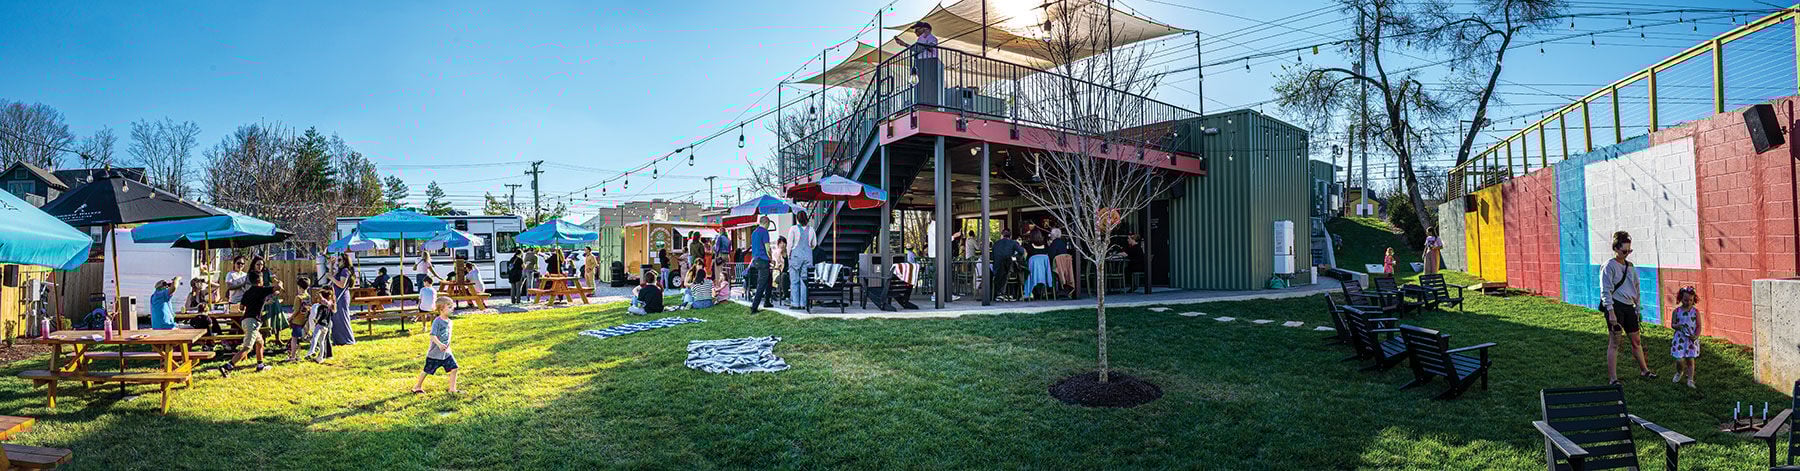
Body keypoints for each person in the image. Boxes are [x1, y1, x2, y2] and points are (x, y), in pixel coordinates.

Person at [1601, 231, 1654, 385]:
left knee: (1636, 340)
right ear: (1616, 248)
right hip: (1615, 306)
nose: (1626, 254)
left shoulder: (1630, 266)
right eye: (1624, 251)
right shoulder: (1609, 266)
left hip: (1629, 307)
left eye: (1629, 251)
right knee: (1615, 342)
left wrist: (1638, 308)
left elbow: (1636, 288)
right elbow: (1605, 290)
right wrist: (1611, 312)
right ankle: (1613, 379)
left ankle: (1645, 370)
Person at [219, 275, 280, 377]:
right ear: (260, 281)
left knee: (260, 342)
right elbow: (277, 288)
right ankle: (227, 367)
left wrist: (262, 302)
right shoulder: (261, 290)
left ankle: (260, 365)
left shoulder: (247, 292)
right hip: (252, 322)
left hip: (245, 321)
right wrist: (278, 282)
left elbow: (242, 308)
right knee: (247, 347)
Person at [410, 299, 460, 395]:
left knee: (454, 368)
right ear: (441, 309)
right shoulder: (437, 321)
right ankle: (417, 387)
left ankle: (452, 389)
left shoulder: (450, 322)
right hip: (435, 354)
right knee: (427, 370)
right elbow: (432, 335)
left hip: (446, 354)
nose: (452, 309)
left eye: (452, 306)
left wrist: (447, 347)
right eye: (449, 307)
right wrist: (440, 344)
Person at [896, 21, 940, 106]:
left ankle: (928, 103)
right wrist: (904, 44)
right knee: (920, 84)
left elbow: (930, 48)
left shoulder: (931, 38)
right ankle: (920, 103)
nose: (915, 32)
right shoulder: (920, 39)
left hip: (930, 62)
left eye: (917, 30)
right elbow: (917, 49)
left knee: (928, 85)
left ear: (925, 29)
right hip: (921, 63)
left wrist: (924, 37)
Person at [1668, 286, 1702, 389]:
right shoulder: (1677, 311)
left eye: (1690, 300)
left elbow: (1699, 326)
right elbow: (1673, 324)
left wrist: (1696, 336)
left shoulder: (1695, 312)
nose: (1688, 302)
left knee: (1690, 360)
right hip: (1680, 340)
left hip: (1691, 340)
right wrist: (1677, 326)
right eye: (1685, 300)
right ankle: (1679, 372)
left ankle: (1690, 380)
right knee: (1679, 359)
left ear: (1694, 300)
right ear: (1680, 299)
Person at [786, 211, 815, 309]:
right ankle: (803, 303)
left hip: (795, 257)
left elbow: (789, 244)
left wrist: (788, 255)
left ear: (797, 219)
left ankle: (795, 303)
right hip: (807, 256)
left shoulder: (793, 229)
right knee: (804, 280)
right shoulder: (811, 229)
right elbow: (814, 244)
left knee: (794, 280)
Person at [286, 278, 318, 362]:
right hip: (305, 320)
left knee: (294, 339)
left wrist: (290, 318)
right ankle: (300, 354)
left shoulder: (298, 297)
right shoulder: (308, 296)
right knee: (302, 338)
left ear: (299, 287)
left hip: (297, 321)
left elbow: (296, 310)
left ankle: (293, 356)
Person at [748, 216, 776, 313]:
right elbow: (767, 247)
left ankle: (767, 301)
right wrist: (771, 259)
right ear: (767, 223)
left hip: (755, 259)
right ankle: (754, 307)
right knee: (761, 284)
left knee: (769, 280)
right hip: (763, 260)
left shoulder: (754, 232)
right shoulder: (764, 232)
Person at [330, 252, 357, 346]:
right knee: (336, 318)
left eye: (340, 260)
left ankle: (348, 339)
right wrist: (331, 265)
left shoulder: (345, 270)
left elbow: (342, 284)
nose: (338, 262)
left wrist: (331, 278)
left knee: (342, 317)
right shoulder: (340, 270)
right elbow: (332, 276)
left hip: (342, 297)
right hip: (336, 296)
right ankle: (338, 340)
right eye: (338, 260)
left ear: (345, 261)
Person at [988, 230, 1022, 303]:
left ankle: (997, 293)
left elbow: (992, 257)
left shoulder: (996, 244)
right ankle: (1013, 294)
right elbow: (1022, 251)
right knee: (1018, 271)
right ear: (1010, 237)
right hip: (1009, 271)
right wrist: (1014, 257)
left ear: (1001, 236)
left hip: (997, 271)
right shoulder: (1013, 243)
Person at [306, 287, 334, 362]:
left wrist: (316, 320)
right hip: (327, 325)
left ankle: (313, 352)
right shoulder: (329, 306)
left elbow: (319, 314)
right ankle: (322, 356)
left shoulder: (322, 306)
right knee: (323, 341)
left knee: (318, 339)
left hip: (322, 324)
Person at [1023, 231, 1052, 299]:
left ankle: (1027, 292)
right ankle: (1043, 292)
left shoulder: (1028, 247)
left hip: (1032, 274)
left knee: (1023, 272)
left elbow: (1024, 258)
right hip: (1044, 274)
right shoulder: (1046, 247)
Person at [1049, 229, 1076, 297]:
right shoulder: (1063, 242)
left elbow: (1051, 255)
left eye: (1051, 234)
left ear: (1053, 235)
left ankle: (1049, 289)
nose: (1050, 236)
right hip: (1064, 267)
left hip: (1057, 267)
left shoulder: (1054, 243)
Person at [771, 236, 789, 302]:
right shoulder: (775, 253)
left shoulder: (789, 253)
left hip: (789, 273)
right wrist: (779, 254)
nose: (782, 245)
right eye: (780, 243)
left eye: (784, 243)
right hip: (778, 274)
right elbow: (776, 264)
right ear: (778, 245)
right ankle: (786, 295)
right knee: (783, 276)